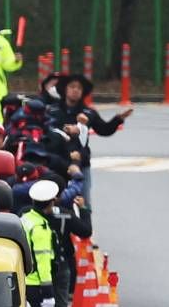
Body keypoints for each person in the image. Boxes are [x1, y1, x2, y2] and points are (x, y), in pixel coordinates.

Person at [48, 74, 131, 208]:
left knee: (84, 201)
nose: (75, 90)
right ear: (65, 89)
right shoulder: (52, 110)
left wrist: (118, 119)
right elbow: (46, 131)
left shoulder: (88, 112)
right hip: (57, 161)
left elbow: (104, 130)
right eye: (72, 87)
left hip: (81, 162)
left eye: (79, 88)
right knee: (53, 199)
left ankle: (86, 227)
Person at [22, 178, 60, 307]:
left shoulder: (26, 218)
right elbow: (43, 260)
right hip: (37, 286)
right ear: (50, 203)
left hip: (24, 280)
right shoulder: (40, 228)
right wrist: (48, 293)